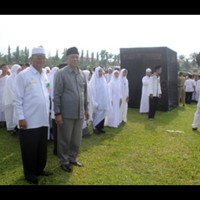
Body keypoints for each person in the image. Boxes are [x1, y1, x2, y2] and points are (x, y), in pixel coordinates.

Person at [14, 47, 53, 184]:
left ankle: (39, 169)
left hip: (43, 119)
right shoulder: (23, 76)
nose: (41, 60)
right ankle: (30, 173)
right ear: (31, 59)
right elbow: (17, 99)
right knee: (29, 149)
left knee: (42, 147)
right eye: (38, 57)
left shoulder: (45, 75)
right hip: (29, 120)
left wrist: (49, 111)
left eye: (43, 57)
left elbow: (48, 93)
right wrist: (21, 117)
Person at [54, 47, 89, 173]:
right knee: (64, 139)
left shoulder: (81, 74)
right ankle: (64, 161)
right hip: (66, 113)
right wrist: (57, 113)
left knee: (76, 138)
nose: (75, 59)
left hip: (79, 112)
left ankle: (73, 158)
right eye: (72, 57)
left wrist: (86, 108)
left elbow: (84, 92)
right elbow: (56, 94)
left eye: (76, 57)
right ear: (67, 59)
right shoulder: (61, 73)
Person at [89, 66, 111, 134]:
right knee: (97, 115)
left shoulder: (103, 80)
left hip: (103, 101)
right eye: (99, 71)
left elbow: (106, 90)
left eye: (101, 71)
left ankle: (100, 128)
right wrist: (95, 102)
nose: (101, 73)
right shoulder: (93, 81)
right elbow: (92, 92)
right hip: (97, 102)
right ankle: (95, 128)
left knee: (102, 115)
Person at [3, 64, 22, 135]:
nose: (19, 71)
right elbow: (10, 90)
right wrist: (14, 97)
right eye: (18, 70)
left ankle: (15, 127)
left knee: (15, 114)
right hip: (10, 99)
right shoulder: (9, 79)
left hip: (16, 99)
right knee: (10, 114)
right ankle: (10, 127)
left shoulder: (18, 78)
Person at [49, 66, 59, 155]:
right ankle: (56, 149)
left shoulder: (60, 81)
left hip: (60, 110)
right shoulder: (49, 81)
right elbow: (47, 91)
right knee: (56, 131)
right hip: (53, 109)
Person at [82, 70, 94, 138]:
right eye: (89, 75)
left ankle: (86, 132)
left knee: (86, 118)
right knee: (84, 119)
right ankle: (84, 133)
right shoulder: (84, 84)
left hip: (88, 104)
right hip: (85, 104)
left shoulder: (88, 83)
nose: (90, 76)